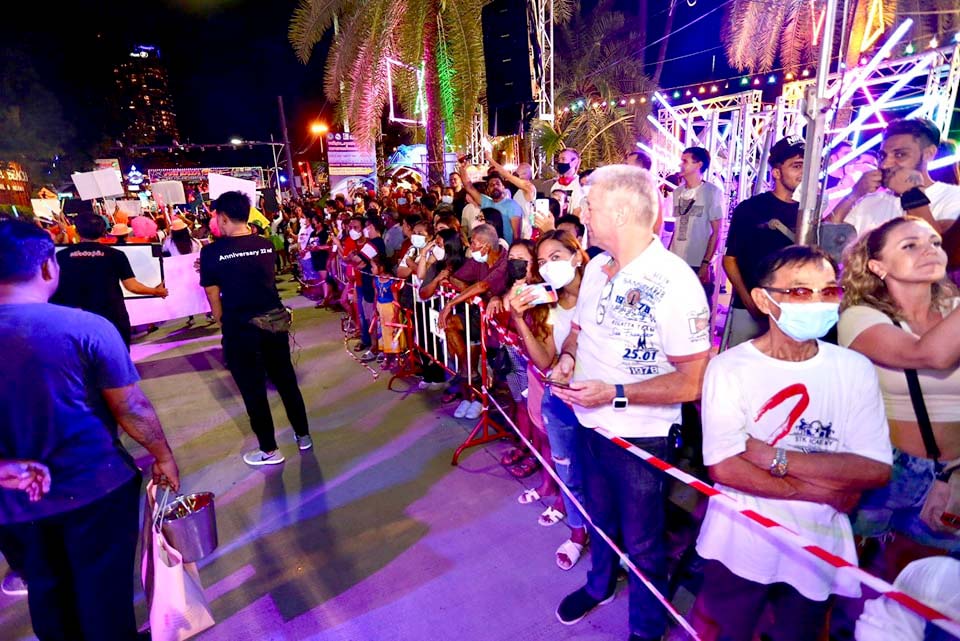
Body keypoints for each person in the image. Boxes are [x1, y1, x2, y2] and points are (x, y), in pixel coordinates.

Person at [691, 245, 893, 641]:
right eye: (801, 291)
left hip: (817, 546)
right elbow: (725, 467)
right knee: (729, 630)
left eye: (829, 291)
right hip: (741, 541)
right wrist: (821, 490)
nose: (818, 302)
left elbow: (873, 468)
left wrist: (770, 456)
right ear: (764, 300)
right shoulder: (730, 368)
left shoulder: (854, 369)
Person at [549, 165, 711, 641]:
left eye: (590, 205)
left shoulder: (675, 282)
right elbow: (578, 332)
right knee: (598, 518)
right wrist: (567, 360)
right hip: (588, 422)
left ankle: (646, 626)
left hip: (639, 436)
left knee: (643, 540)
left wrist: (616, 393)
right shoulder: (596, 268)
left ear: (620, 212)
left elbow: (694, 381)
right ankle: (599, 584)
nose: (582, 214)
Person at [0, 218, 181, 641]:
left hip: (14, 501)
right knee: (103, 593)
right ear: (48, 267)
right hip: (94, 485)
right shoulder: (85, 328)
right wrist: (163, 456)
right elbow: (130, 407)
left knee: (46, 589)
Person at [838, 216, 960, 552]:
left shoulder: (955, 310)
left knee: (936, 578)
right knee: (854, 572)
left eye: (935, 243)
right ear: (878, 266)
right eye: (910, 246)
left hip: (952, 473)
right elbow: (930, 355)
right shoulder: (859, 317)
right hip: (887, 473)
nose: (929, 250)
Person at [199, 191, 312, 466]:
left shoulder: (211, 252)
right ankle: (303, 436)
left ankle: (269, 450)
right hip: (274, 322)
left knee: (253, 389)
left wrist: (220, 319)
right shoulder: (265, 245)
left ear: (223, 218)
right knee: (286, 382)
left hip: (240, 328)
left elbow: (213, 294)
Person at [509, 230, 591, 569]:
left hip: (599, 403)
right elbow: (544, 360)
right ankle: (578, 533)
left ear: (577, 255)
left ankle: (607, 542)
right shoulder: (547, 302)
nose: (547, 267)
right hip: (559, 402)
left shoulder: (602, 295)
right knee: (567, 471)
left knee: (599, 476)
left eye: (555, 257)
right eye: (541, 262)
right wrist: (519, 318)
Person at [722, 136, 805, 348]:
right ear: (776, 172)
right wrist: (750, 303)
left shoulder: (807, 213)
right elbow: (730, 260)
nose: (802, 172)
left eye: (806, 166)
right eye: (796, 166)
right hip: (750, 310)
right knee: (742, 363)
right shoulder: (751, 208)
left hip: (792, 311)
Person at [51, 213, 168, 346]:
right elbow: (132, 286)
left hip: (78, 318)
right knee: (116, 355)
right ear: (103, 232)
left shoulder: (61, 256)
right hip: (112, 316)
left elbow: (52, 286)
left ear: (77, 232)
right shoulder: (116, 255)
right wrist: (156, 291)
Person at [831, 118, 960, 235]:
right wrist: (854, 195)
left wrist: (912, 195)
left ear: (929, 154)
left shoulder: (952, 197)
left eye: (900, 155)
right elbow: (826, 238)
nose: (885, 164)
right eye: (882, 156)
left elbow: (943, 248)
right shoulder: (870, 200)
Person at [438, 224, 509, 420]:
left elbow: (483, 285)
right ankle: (467, 372)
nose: (471, 247)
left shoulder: (504, 262)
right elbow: (454, 278)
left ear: (486, 246)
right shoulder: (477, 260)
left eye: (474, 243)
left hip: (499, 322)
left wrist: (452, 302)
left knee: (479, 352)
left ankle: (479, 398)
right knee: (449, 323)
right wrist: (468, 291)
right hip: (478, 316)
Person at [668, 146, 725, 294]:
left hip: (697, 261)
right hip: (675, 260)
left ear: (699, 165)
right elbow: (677, 227)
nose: (681, 164)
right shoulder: (677, 192)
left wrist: (705, 263)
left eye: (685, 161)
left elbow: (716, 232)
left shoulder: (712, 192)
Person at [458, 162, 523, 245]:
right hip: (487, 247)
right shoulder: (486, 202)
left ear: (503, 187)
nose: (495, 186)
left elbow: (517, 236)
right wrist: (462, 168)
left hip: (505, 248)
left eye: (498, 184)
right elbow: (468, 186)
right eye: (491, 185)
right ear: (488, 190)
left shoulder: (512, 205)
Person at [551, 149, 585, 217]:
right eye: (559, 160)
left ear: (574, 162)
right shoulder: (555, 186)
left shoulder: (580, 185)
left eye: (563, 159)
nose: (560, 162)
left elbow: (578, 212)